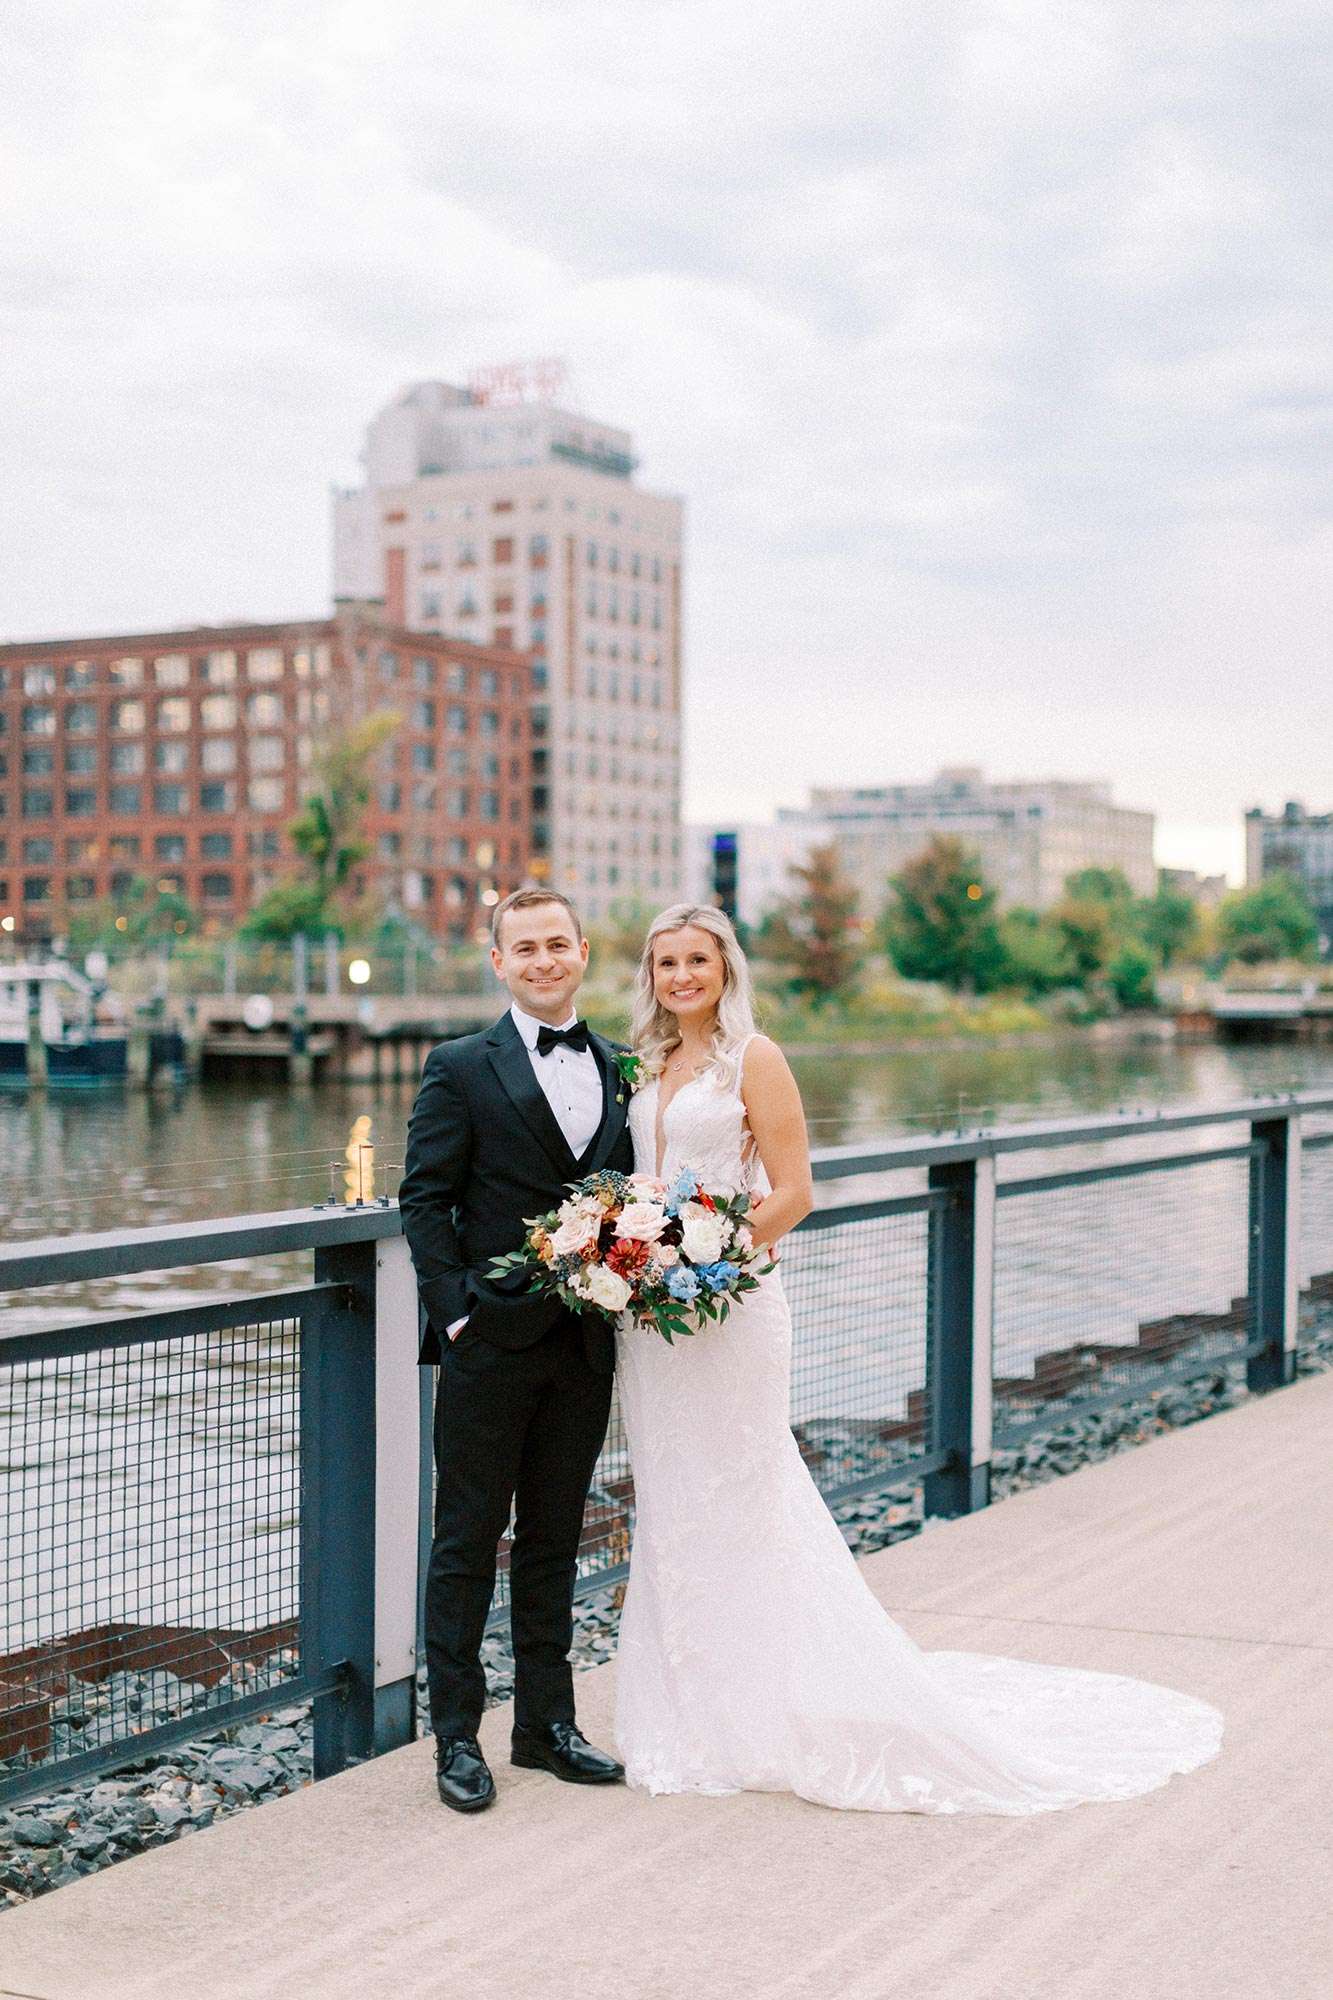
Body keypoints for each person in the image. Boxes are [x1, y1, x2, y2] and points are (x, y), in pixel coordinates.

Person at [613, 902, 1224, 1813]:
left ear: (725, 968)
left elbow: (795, 1193)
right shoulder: (644, 1063)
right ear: (650, 976)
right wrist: (633, 1254)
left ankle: (764, 1707)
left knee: (742, 1491)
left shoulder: (757, 1059)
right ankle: (692, 1706)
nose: (681, 977)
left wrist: (707, 1253)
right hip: (650, 1324)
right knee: (670, 1497)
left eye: (697, 959)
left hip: (728, 1306)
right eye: (666, 963)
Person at [398, 889, 631, 1812]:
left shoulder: (619, 1067)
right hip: (489, 1346)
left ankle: (544, 1725)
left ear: (583, 952)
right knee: (463, 1542)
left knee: (554, 1540)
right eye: (522, 947)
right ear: (498, 962)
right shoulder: (459, 1065)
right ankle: (456, 1738)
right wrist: (457, 1316)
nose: (541, 960)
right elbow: (424, 1199)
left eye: (556, 944)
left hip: (582, 1345)